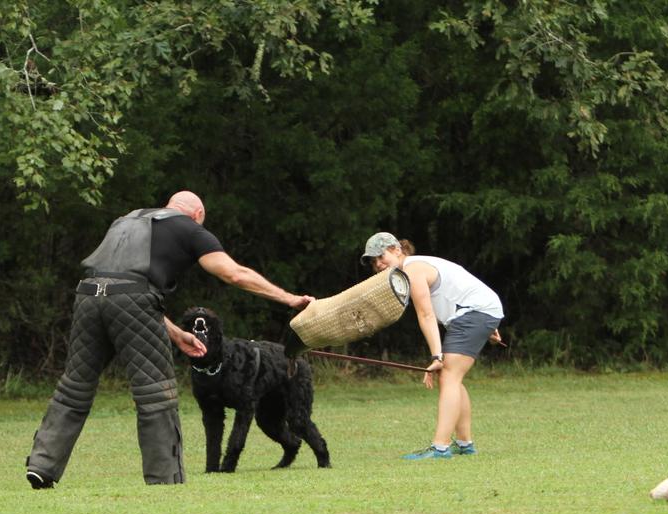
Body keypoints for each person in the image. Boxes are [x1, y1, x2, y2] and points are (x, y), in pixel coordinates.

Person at [25, 191, 313, 487]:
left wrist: (175, 334)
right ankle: (165, 478)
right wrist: (289, 298)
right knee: (154, 390)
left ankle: (42, 464)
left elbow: (120, 285)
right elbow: (235, 274)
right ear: (198, 214)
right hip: (133, 301)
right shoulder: (191, 228)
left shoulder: (125, 221)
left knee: (74, 386)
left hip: (87, 296)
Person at [361, 232, 503, 460]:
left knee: (448, 375)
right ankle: (465, 444)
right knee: (452, 377)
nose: (378, 264)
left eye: (381, 256)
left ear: (397, 250)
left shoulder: (412, 269)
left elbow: (426, 314)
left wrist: (437, 357)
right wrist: (485, 323)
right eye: (373, 261)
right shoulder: (414, 267)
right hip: (476, 312)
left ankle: (440, 447)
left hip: (474, 312)